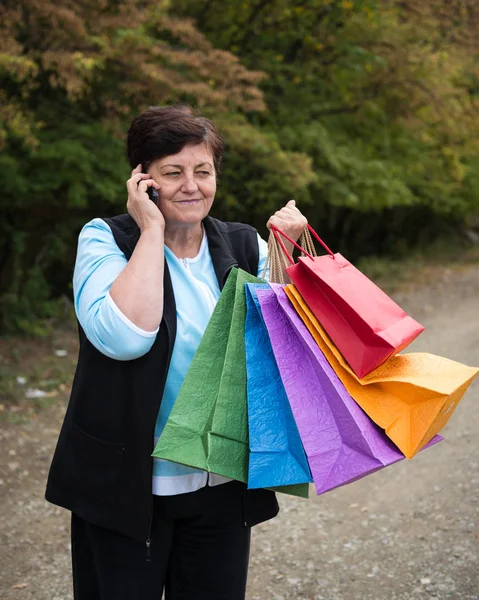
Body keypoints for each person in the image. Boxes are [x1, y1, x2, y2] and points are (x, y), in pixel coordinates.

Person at [45, 104, 308, 600]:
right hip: (126, 487)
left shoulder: (243, 245)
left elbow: (284, 344)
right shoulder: (105, 239)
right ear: (143, 180)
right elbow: (126, 339)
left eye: (202, 171)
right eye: (173, 172)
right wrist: (150, 230)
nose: (192, 185)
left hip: (221, 482)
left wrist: (286, 253)